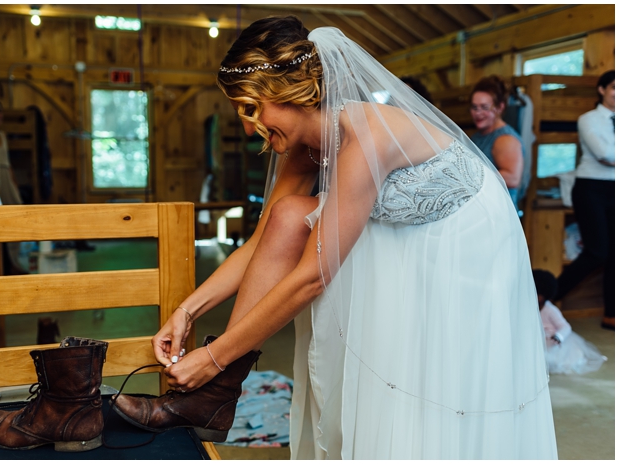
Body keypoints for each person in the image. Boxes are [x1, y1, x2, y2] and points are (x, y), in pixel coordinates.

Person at [113, 17, 556, 459]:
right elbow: (261, 244)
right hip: (406, 225)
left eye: (252, 109)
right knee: (286, 216)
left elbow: (313, 276)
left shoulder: (363, 137)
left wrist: (213, 358)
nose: (249, 129)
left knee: (434, 374)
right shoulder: (305, 146)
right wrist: (187, 311)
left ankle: (217, 385)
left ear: (286, 94)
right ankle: (217, 398)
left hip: (465, 231)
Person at [556, 70, 614, 330]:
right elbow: (605, 155)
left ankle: (611, 314)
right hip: (590, 188)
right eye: (615, 87)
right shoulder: (588, 119)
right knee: (597, 251)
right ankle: (546, 296)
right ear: (602, 90)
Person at [534, 269, 607, 375]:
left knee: (554, 360)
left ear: (540, 297)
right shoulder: (531, 309)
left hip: (553, 342)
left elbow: (565, 327)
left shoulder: (550, 310)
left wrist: (558, 336)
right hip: (540, 340)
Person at [469, 75, 525, 206]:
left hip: (499, 210)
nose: (478, 113)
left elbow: (513, 178)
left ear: (500, 107)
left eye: (484, 107)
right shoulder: (478, 135)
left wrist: (468, 176)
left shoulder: (505, 139)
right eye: (474, 107)